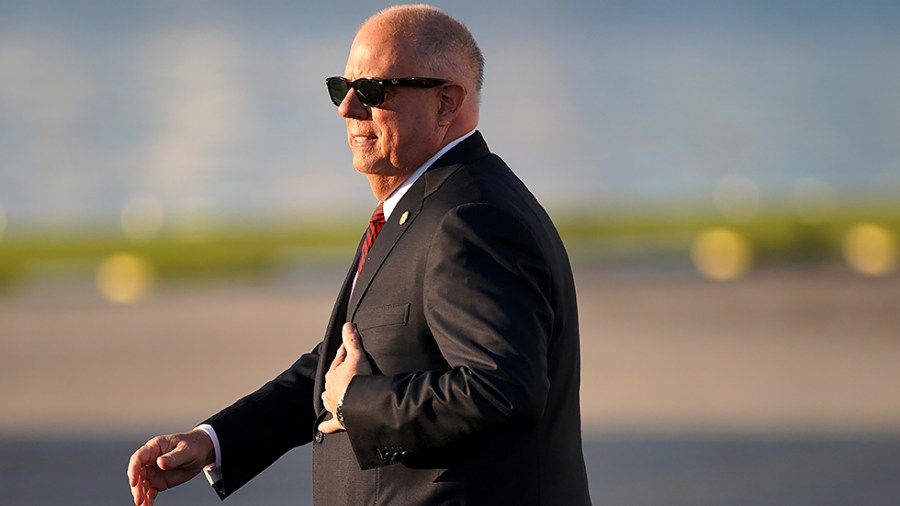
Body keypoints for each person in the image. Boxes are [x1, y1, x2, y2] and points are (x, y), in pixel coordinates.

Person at [127, 4, 591, 505]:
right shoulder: (423, 206)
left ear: (446, 102)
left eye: (373, 90)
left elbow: (500, 390)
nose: (347, 108)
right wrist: (214, 441)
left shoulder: (471, 218)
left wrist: (357, 401)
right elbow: (341, 366)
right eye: (339, 88)